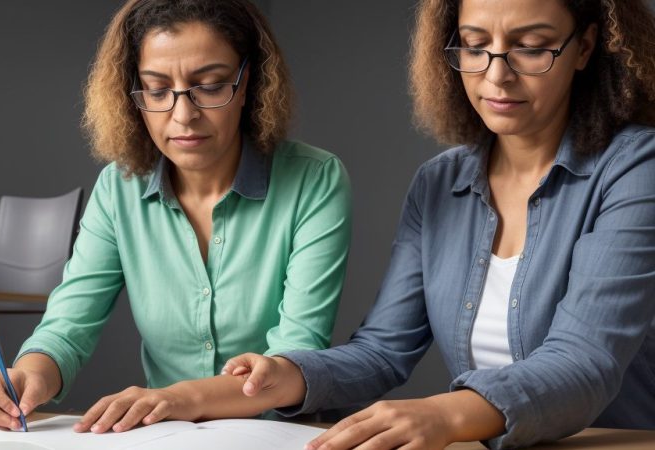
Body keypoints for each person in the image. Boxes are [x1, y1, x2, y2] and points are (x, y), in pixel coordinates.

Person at [221, 0, 655, 448]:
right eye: (474, 45)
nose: (496, 74)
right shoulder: (439, 182)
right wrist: (287, 374)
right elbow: (383, 350)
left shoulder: (636, 166)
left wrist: (442, 413)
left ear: (584, 47)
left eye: (530, 46)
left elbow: (584, 361)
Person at [0, 0, 353, 434]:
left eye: (210, 86)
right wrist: (33, 372)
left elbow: (294, 357)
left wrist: (173, 398)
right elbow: (68, 326)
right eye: (156, 90)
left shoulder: (315, 179)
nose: (183, 115)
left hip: (277, 434)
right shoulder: (119, 190)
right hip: (167, 434)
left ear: (247, 81)